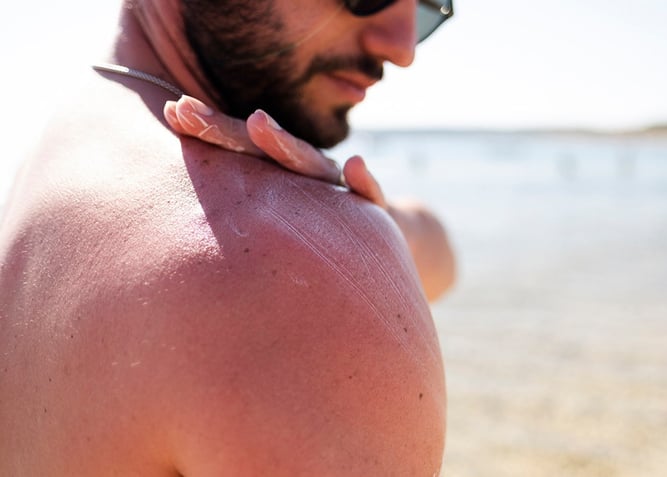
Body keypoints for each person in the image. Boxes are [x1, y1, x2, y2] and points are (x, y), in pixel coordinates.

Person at [0, 0, 455, 474]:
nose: (403, 48)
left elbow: (443, 256)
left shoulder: (44, 168)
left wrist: (370, 219)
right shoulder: (290, 282)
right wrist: (354, 240)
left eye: (430, 1)